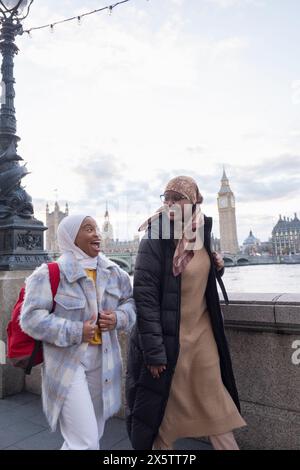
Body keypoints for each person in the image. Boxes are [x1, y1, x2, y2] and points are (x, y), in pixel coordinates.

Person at [126, 176, 246, 450]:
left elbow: (196, 276)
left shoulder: (203, 230)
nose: (169, 204)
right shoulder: (155, 235)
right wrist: (154, 351)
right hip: (170, 340)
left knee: (216, 403)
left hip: (203, 335)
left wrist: (218, 266)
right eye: (166, 198)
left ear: (193, 201)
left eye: (177, 198)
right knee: (165, 415)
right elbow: (144, 298)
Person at [20, 214, 136, 450]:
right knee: (85, 440)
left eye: (96, 229)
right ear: (70, 237)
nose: (96, 234)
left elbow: (132, 304)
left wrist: (118, 317)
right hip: (67, 363)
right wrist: (75, 330)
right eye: (88, 229)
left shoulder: (116, 273)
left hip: (104, 361)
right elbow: (30, 318)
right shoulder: (49, 273)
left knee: (91, 433)